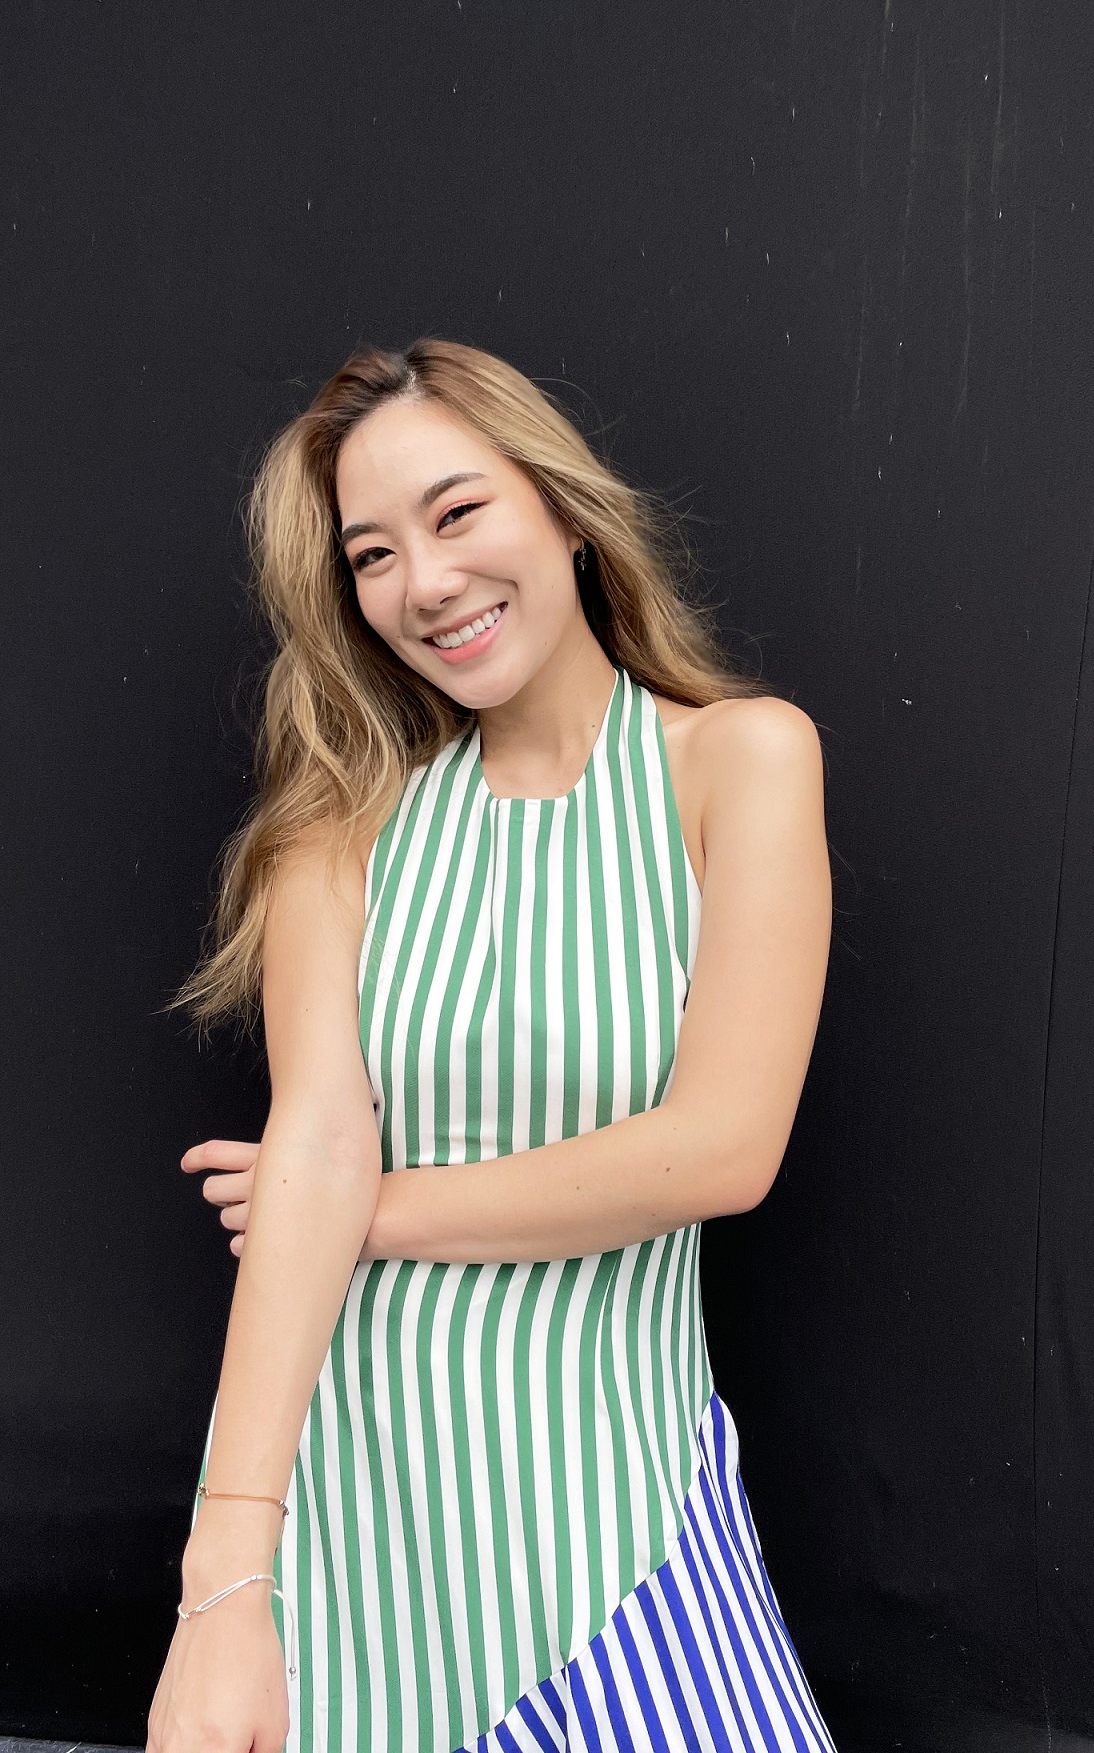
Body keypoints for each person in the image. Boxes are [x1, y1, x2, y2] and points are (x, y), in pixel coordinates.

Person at [147, 337, 838, 1753]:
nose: (425, 581)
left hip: (614, 1519)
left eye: (457, 512)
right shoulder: (337, 827)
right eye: (372, 555)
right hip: (351, 1508)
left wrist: (347, 1210)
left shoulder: (742, 761)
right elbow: (319, 1128)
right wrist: (223, 1588)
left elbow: (723, 1150)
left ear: (565, 510)